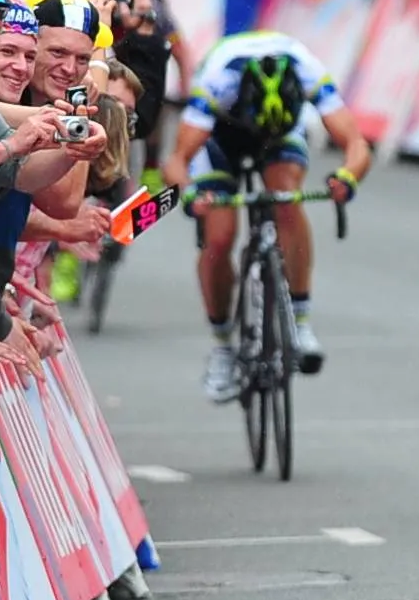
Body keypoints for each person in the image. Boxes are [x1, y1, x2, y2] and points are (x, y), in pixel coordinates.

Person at [159, 28, 373, 399]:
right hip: (221, 137)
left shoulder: (307, 70)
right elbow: (176, 161)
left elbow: (355, 143)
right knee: (220, 236)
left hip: (279, 135)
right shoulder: (218, 81)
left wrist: (347, 176)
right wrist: (192, 194)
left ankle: (301, 321)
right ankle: (223, 345)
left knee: (287, 199)